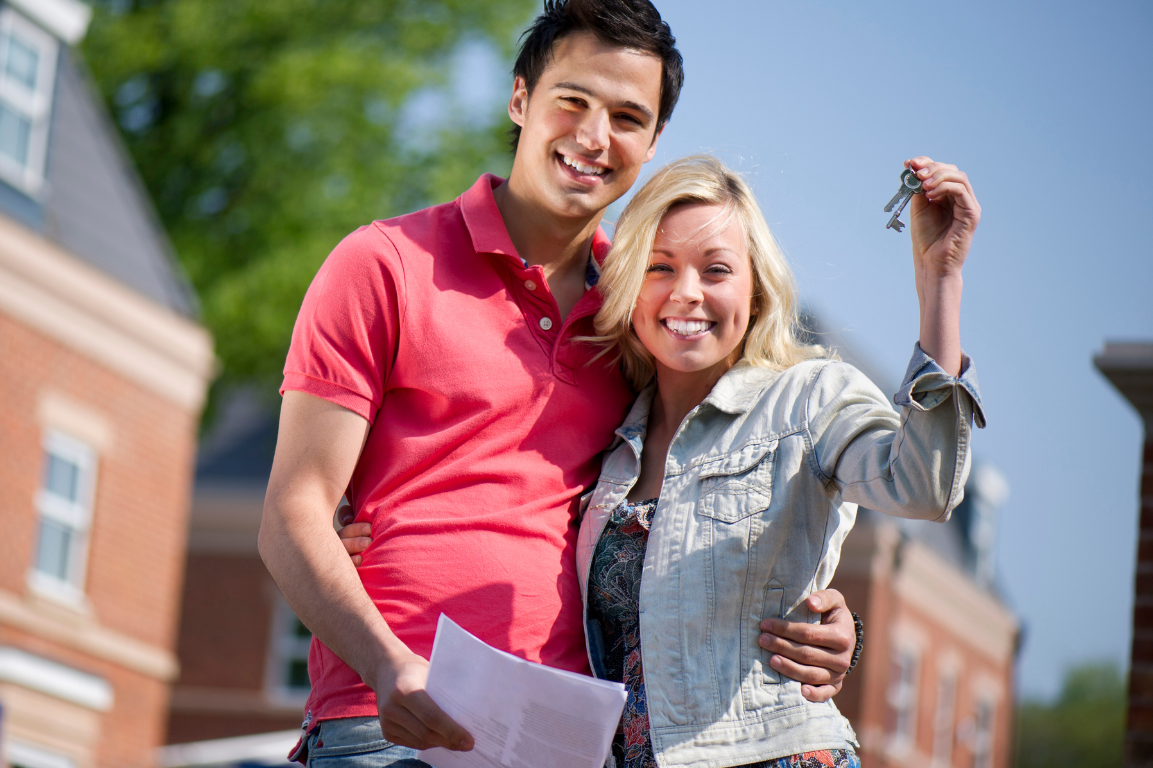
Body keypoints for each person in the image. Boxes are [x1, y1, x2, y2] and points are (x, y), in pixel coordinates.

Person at [258, 2, 859, 766]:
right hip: (388, 722)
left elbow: (741, 491)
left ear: (652, 143)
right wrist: (386, 666)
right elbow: (291, 514)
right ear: (520, 100)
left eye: (626, 117)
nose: (593, 137)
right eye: (571, 101)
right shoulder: (384, 265)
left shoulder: (647, 312)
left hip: (568, 741)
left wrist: (827, 618)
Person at [569, 153, 983, 768]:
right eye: (660, 267)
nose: (687, 293)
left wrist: (939, 280)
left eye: (715, 270)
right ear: (629, 284)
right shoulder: (609, 444)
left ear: (755, 288)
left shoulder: (811, 398)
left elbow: (923, 486)